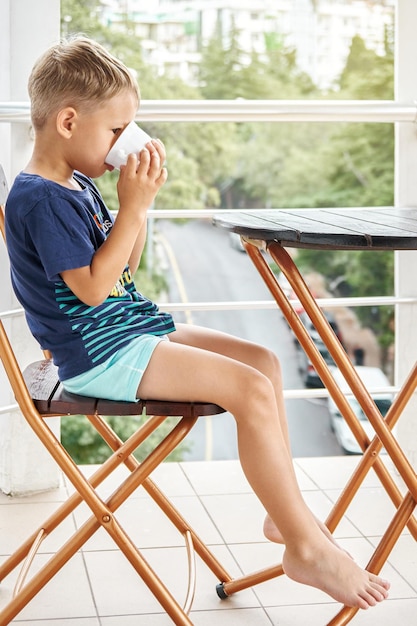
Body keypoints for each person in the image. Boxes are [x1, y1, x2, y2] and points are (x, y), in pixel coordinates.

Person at [5, 36, 390, 611]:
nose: (120, 146)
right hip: (97, 355)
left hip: (129, 333)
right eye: (116, 132)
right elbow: (90, 290)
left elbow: (123, 268)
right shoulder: (39, 197)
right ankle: (307, 548)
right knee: (252, 390)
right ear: (66, 120)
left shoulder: (78, 185)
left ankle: (280, 516)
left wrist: (139, 202)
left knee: (259, 361)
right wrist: (131, 208)